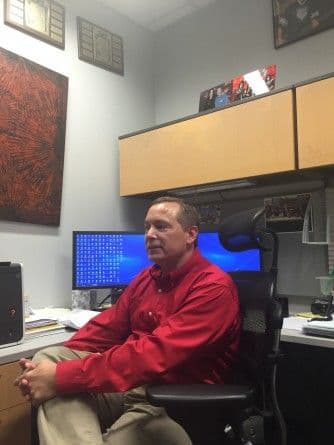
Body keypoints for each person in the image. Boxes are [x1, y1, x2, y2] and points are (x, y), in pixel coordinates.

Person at [15, 196, 241, 445]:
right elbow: (105, 329)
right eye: (147, 227)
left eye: (161, 226)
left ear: (191, 234)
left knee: (60, 379)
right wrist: (41, 373)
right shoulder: (147, 278)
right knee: (49, 358)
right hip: (128, 386)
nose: (150, 234)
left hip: (170, 402)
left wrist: (60, 377)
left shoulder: (213, 288)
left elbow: (151, 356)